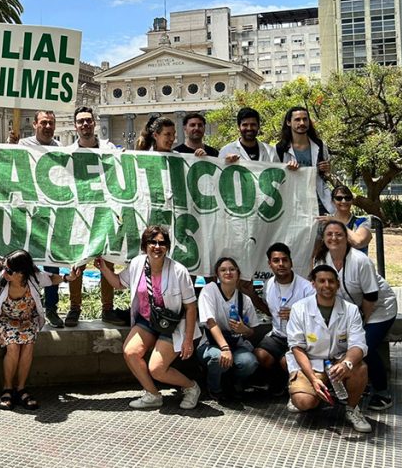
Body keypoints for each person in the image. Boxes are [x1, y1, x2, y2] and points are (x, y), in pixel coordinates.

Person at [96, 226, 201, 410]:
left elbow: (191, 306)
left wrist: (188, 340)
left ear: (167, 247)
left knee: (157, 369)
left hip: (174, 324)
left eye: (162, 243)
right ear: (145, 245)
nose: (157, 247)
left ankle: (191, 387)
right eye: (152, 242)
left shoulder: (179, 271)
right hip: (148, 320)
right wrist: (104, 268)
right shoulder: (137, 264)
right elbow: (119, 283)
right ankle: (152, 394)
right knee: (130, 352)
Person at [312, 220, 397, 412]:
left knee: (363, 345)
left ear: (346, 238)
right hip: (351, 309)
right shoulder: (321, 259)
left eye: (339, 234)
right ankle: (344, 385)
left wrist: (362, 322)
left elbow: (371, 296)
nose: (334, 238)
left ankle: (382, 391)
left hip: (378, 308)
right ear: (324, 239)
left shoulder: (360, 260)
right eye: (329, 235)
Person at [0, 249, 75, 411]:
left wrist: (68, 278)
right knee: (13, 346)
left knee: (28, 345)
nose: (5, 272)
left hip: (27, 320)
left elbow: (51, 279)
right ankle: (7, 389)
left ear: (22, 273)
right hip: (4, 320)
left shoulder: (33, 278)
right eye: (4, 268)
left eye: (9, 271)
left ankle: (21, 389)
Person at [286, 265, 372, 433]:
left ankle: (352, 409)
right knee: (303, 402)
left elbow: (358, 344)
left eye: (331, 281)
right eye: (321, 281)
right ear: (313, 284)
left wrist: (346, 363)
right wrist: (312, 378)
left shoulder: (350, 310)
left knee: (360, 367)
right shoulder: (299, 308)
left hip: (338, 360)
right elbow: (296, 347)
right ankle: (312, 393)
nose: (327, 285)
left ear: (337, 285)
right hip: (311, 361)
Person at [64, 106, 126, 327]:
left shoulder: (110, 150)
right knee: (77, 263)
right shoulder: (68, 152)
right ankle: (74, 308)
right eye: (81, 121)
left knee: (106, 263)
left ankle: (108, 309)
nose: (85, 124)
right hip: (79, 215)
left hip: (104, 215)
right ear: (75, 125)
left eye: (88, 120)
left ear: (95, 123)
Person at [12, 110, 66, 328]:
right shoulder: (23, 145)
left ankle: (51, 307)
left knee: (52, 263)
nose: (47, 126)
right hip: (27, 214)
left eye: (51, 123)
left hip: (52, 214)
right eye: (43, 122)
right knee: (26, 262)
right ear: (34, 124)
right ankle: (28, 306)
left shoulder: (61, 149)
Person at [196, 257, 260, 400]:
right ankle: (214, 387)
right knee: (218, 357)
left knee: (249, 362)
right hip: (211, 344)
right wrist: (225, 348)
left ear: (238, 273)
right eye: (223, 270)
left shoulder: (245, 299)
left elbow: (252, 331)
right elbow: (210, 322)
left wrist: (244, 329)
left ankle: (234, 382)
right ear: (217, 274)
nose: (228, 272)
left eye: (232, 269)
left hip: (236, 344)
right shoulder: (209, 290)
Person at [253, 242, 315, 388]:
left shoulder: (307, 288)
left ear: (291, 262)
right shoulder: (268, 284)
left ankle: (290, 385)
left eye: (284, 260)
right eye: (276, 261)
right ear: (270, 264)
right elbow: (270, 310)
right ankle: (277, 382)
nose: (281, 264)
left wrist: (296, 315)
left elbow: (317, 318)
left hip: (301, 337)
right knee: (260, 355)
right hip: (277, 336)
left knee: (286, 362)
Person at [276, 106, 334, 214]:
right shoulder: (279, 149)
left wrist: (326, 169)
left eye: (305, 119)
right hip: (293, 204)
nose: (302, 123)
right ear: (288, 123)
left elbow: (327, 175)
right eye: (297, 119)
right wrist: (286, 169)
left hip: (318, 203)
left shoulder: (320, 146)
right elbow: (275, 178)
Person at [317, 185, 373, 254]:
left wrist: (336, 222)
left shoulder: (363, 221)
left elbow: (358, 242)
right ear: (332, 201)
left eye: (347, 198)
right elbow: (315, 252)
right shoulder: (324, 222)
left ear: (352, 200)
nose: (343, 201)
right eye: (339, 198)